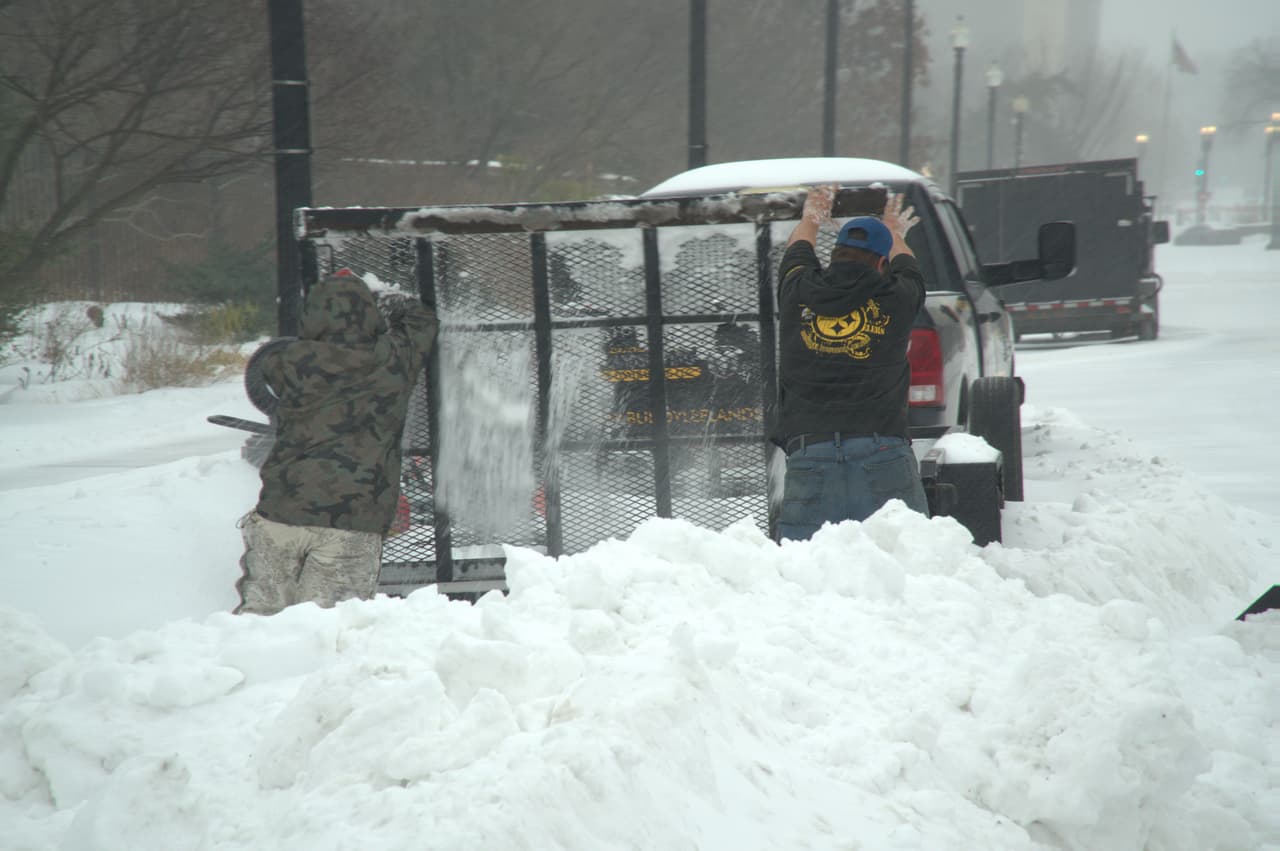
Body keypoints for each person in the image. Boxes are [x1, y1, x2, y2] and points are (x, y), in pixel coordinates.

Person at [235, 269, 439, 615]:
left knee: (260, 621)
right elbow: (422, 320)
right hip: (352, 520)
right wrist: (385, 295)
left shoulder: (289, 361)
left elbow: (264, 367)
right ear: (371, 313)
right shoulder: (393, 359)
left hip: (279, 513)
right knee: (329, 627)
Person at [772, 186, 929, 542]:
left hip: (810, 451)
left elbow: (800, 244)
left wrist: (813, 214)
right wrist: (894, 232)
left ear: (833, 256)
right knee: (911, 563)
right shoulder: (898, 297)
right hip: (883, 450)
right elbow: (908, 262)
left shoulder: (797, 289)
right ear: (881, 262)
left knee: (803, 572)